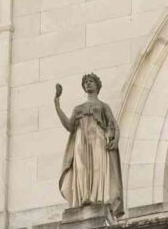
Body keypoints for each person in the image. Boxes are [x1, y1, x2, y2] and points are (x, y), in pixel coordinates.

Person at [53, 74, 123, 214]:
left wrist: (115, 140)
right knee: (81, 166)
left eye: (91, 81)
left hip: (98, 137)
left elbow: (114, 124)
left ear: (97, 85)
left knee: (98, 166)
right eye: (85, 82)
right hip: (81, 137)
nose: (88, 84)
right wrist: (57, 104)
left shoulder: (103, 106)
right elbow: (68, 125)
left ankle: (96, 197)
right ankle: (84, 196)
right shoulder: (78, 108)